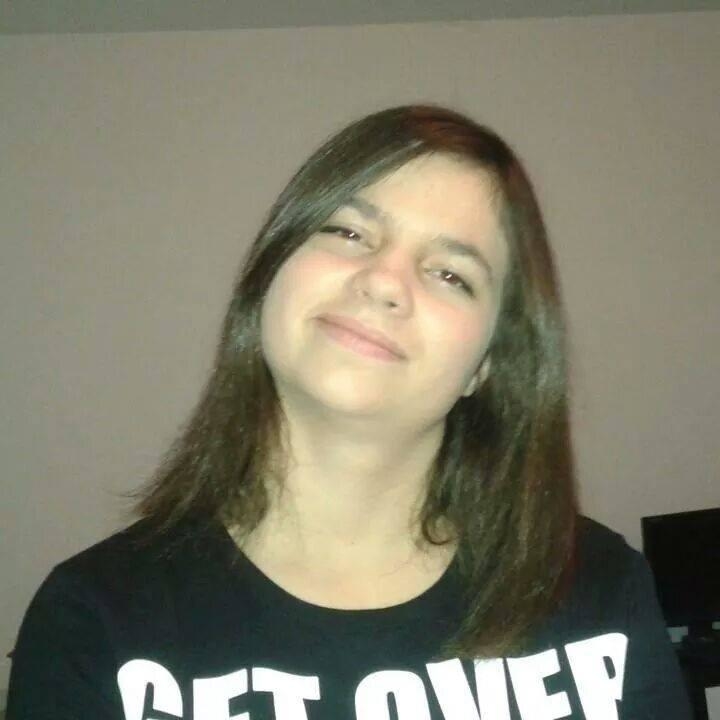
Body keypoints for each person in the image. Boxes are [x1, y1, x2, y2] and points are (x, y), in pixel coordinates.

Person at [7, 104, 691, 719]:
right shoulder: (96, 619)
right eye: (349, 231)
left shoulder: (597, 588)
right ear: (269, 277)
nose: (384, 281)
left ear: (486, 364)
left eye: (450, 274)